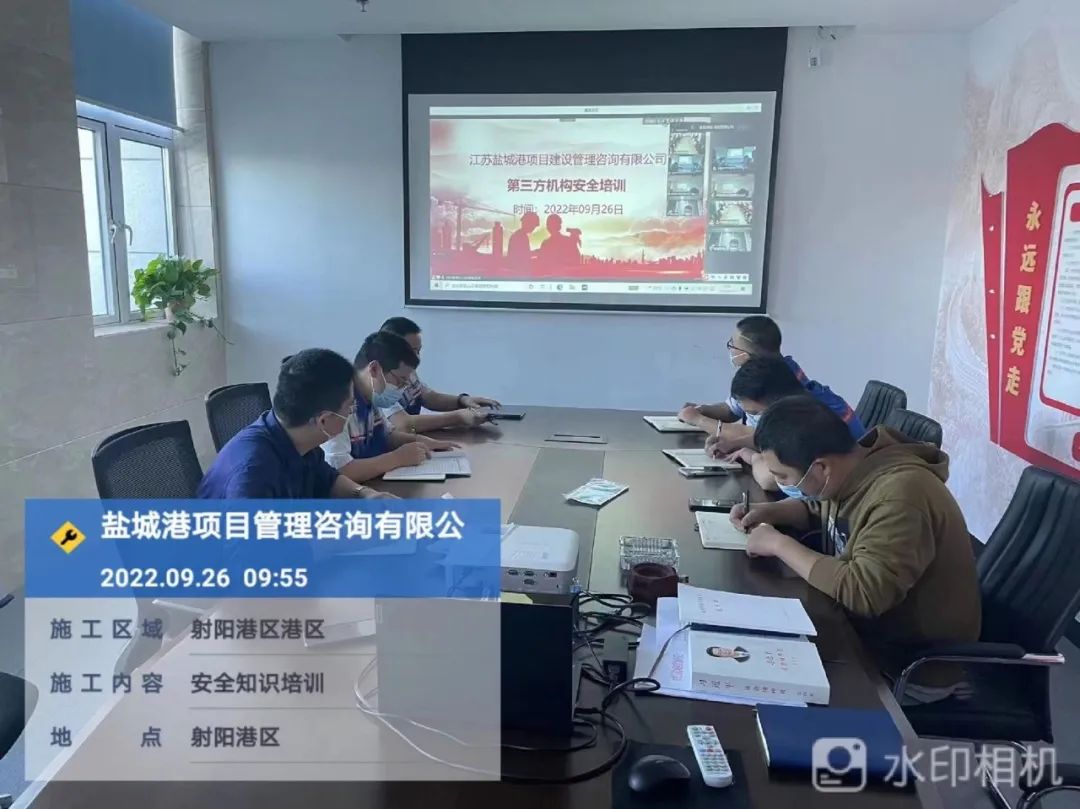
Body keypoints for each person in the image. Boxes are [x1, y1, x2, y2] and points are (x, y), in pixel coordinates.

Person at [728, 397, 980, 689]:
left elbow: (864, 592)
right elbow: (820, 508)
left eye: (783, 476)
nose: (781, 483)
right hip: (857, 632)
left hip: (905, 665)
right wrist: (770, 512)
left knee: (757, 674)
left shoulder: (901, 497)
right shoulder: (853, 468)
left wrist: (778, 544)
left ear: (821, 468)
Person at [198, 349, 394, 499]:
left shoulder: (299, 439)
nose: (351, 412)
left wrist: (366, 494)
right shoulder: (253, 477)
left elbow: (328, 479)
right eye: (350, 407)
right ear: (324, 420)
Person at [680, 315, 863, 453]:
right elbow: (733, 410)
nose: (730, 350)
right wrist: (702, 410)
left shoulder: (777, 382)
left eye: (733, 346)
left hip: (838, 462)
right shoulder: (756, 375)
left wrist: (698, 420)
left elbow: (767, 438)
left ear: (747, 355)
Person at [322, 331, 457, 482]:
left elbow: (387, 436)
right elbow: (339, 470)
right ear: (374, 369)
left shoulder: (370, 396)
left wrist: (420, 441)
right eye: (401, 380)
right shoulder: (338, 403)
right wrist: (397, 458)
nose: (403, 388)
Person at [378, 317, 502, 434]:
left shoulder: (408, 372)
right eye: (411, 352)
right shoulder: (379, 382)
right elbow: (403, 425)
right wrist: (458, 417)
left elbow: (429, 397)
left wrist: (462, 400)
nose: (417, 358)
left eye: (418, 351)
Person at [719, 356, 811, 492]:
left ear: (779, 402)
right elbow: (773, 438)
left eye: (755, 413)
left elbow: (768, 480)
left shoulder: (807, 426)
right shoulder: (798, 409)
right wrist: (734, 443)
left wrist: (753, 457)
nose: (755, 419)